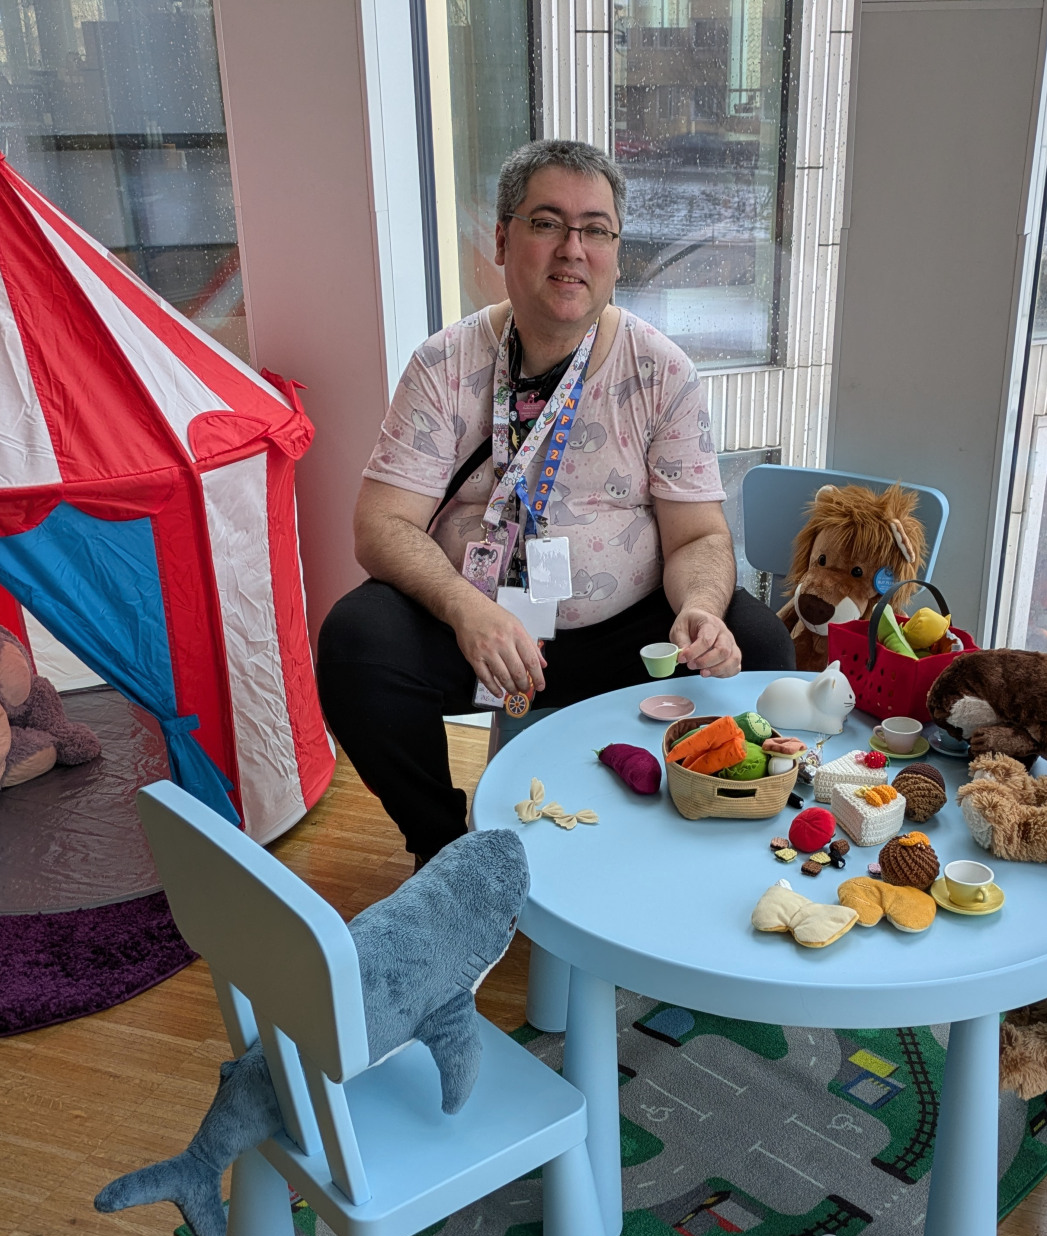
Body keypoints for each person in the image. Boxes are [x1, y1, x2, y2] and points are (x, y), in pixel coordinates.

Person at [318, 139, 793, 864]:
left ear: (616, 254)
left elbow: (698, 536)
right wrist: (467, 610)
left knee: (758, 646)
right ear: (502, 239)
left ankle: (684, 836)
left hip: (624, 631)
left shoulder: (662, 371)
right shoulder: (444, 364)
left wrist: (700, 606)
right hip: (478, 622)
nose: (573, 249)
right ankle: (449, 850)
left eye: (596, 230)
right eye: (547, 223)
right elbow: (380, 524)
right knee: (357, 643)